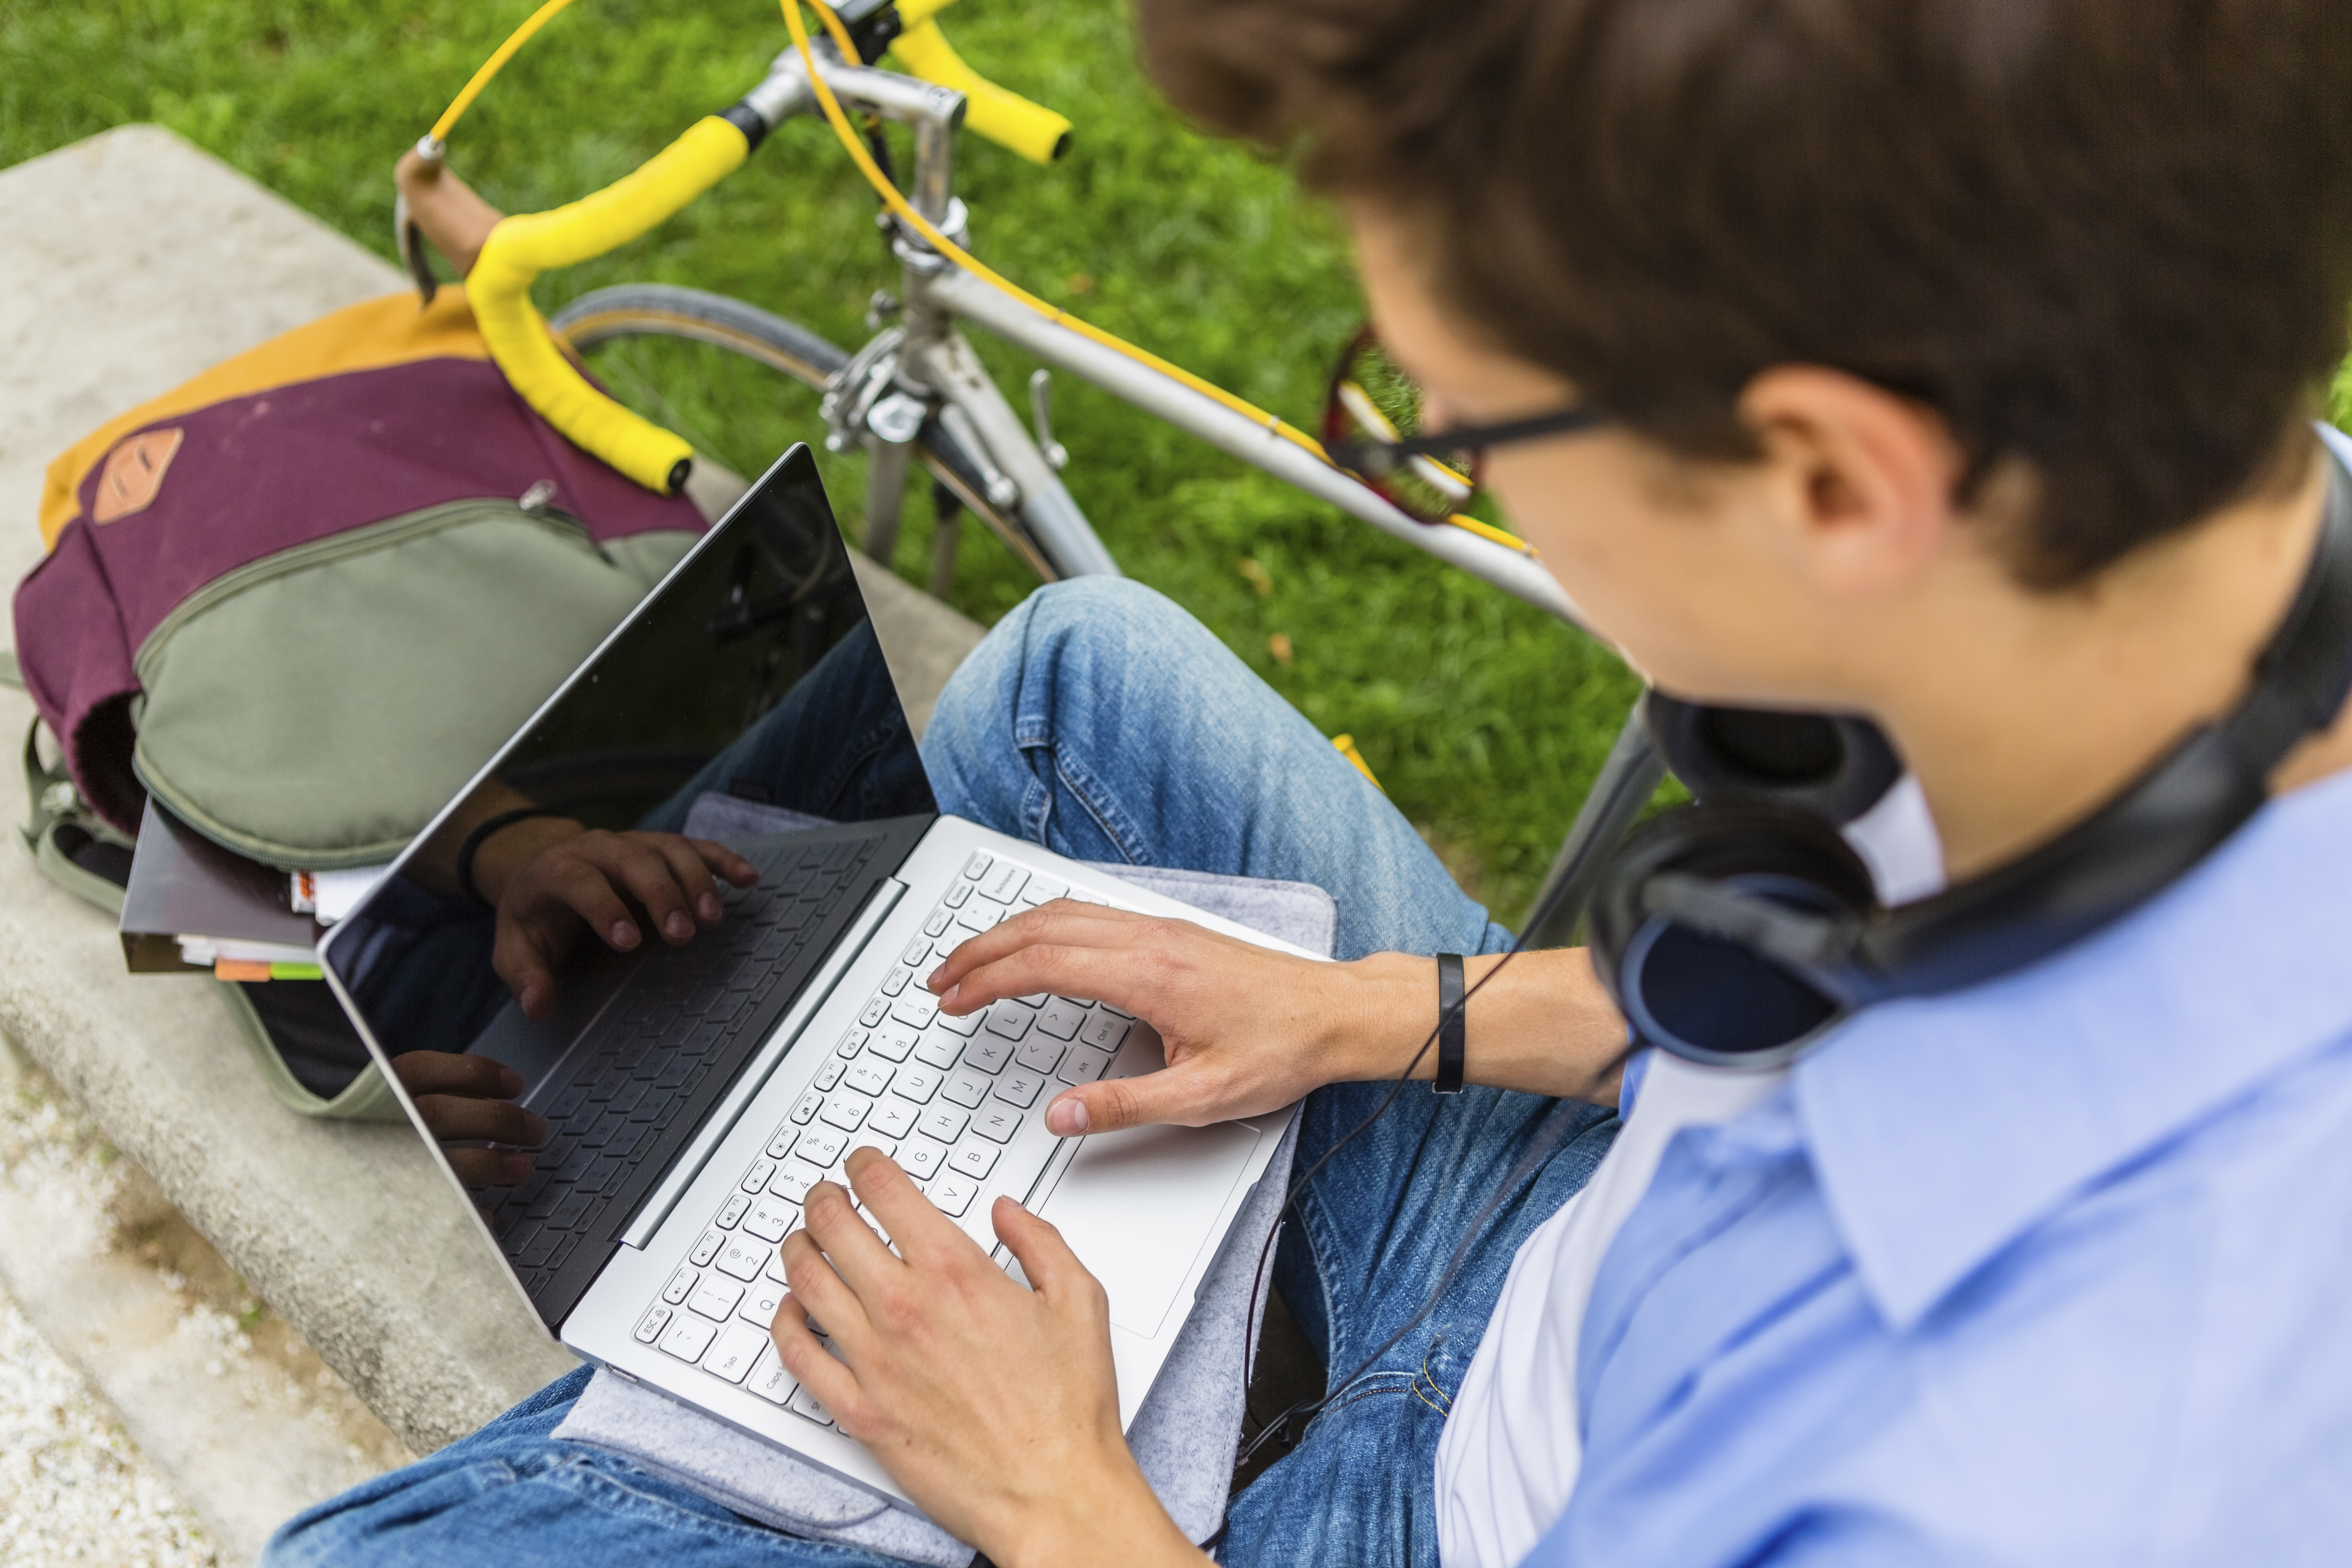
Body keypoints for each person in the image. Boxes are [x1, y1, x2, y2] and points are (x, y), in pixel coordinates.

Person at [271, 0, 2352, 1564]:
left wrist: (1059, 1490)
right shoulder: (2170, 556)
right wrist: (1380, 1014)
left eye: (1448, 435)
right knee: (1088, 687)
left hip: (1431, 1521)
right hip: (1556, 1251)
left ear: (1830, 478)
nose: (1426, 453)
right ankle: (759, 1336)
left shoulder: (2040, 1475)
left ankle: (732, 1411)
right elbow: (1793, 954)